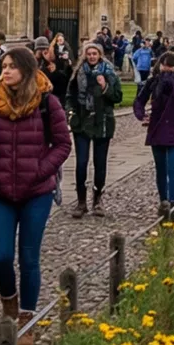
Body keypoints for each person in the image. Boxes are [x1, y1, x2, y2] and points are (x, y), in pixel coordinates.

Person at [0, 47, 72, 345]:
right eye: (3, 66)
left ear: (27, 70)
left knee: (28, 257)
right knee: (1, 257)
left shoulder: (46, 102)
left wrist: (41, 170)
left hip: (36, 191)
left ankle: (27, 321)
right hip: (1, 190)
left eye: (12, 67)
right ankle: (9, 304)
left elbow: (62, 143)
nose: (5, 71)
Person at [134, 51, 174, 220]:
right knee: (161, 169)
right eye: (163, 65)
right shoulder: (153, 82)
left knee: (172, 168)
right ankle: (163, 202)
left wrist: (171, 82)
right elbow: (139, 100)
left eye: (170, 66)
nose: (166, 69)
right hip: (158, 129)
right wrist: (141, 115)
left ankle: (173, 205)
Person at [65, 41, 121, 216]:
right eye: (89, 54)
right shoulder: (78, 73)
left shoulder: (109, 73)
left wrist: (104, 87)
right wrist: (71, 113)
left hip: (102, 121)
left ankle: (97, 199)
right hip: (81, 121)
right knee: (81, 162)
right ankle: (81, 202)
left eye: (94, 54)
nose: (91, 57)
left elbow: (117, 97)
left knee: (100, 163)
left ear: (100, 55)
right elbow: (70, 96)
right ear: (85, 55)